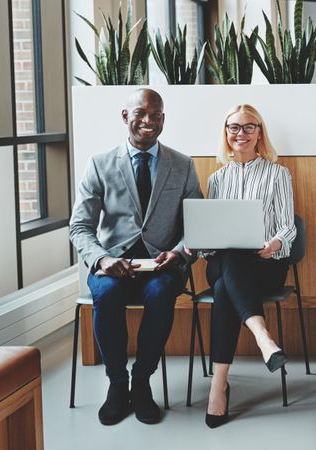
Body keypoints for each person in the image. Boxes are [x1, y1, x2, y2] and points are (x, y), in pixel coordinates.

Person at [69, 88, 203, 425]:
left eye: (156, 115)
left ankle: (142, 380)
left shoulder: (183, 166)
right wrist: (101, 260)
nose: (148, 121)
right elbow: (79, 226)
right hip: (113, 265)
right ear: (125, 116)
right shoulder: (99, 165)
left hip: (163, 266)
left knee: (160, 295)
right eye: (141, 113)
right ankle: (117, 383)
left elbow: (198, 227)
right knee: (108, 295)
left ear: (163, 119)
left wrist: (178, 252)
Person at [199, 104, 297, 428]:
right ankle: (263, 337)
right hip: (222, 260)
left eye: (248, 127)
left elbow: (287, 226)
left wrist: (275, 244)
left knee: (226, 286)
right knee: (228, 258)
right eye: (233, 127)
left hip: (263, 264)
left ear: (259, 133)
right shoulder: (216, 180)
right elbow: (208, 234)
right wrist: (199, 240)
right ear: (226, 134)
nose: (240, 134)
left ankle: (218, 385)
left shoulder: (278, 174)